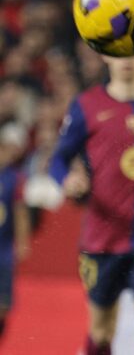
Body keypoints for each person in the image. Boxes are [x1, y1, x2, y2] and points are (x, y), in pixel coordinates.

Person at [49, 50, 134, 355]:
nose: (127, 58)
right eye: (118, 51)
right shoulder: (86, 105)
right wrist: (67, 180)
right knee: (101, 332)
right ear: (104, 56)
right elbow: (59, 158)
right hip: (102, 237)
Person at [0, 123, 32, 342]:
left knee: (3, 303)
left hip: (3, 249)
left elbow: (20, 211)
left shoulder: (15, 177)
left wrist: (22, 241)